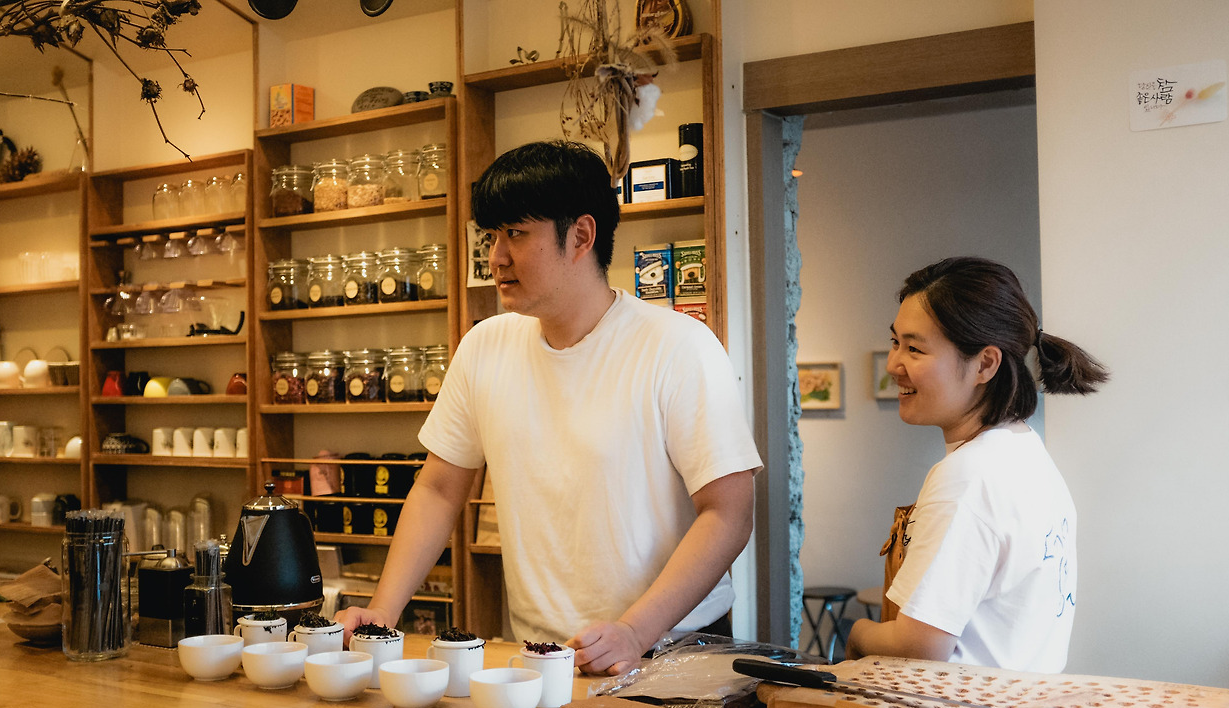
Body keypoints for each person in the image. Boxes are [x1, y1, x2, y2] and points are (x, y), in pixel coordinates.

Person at [335, 140, 762, 675]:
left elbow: (729, 512)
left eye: (515, 233)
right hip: (543, 654)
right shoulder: (485, 346)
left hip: (674, 650)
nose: (496, 256)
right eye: (492, 236)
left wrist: (635, 630)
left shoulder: (678, 347)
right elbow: (439, 489)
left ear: (581, 236)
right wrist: (382, 612)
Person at [844, 257, 1108, 673]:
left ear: (985, 364)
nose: (894, 365)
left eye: (914, 349)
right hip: (1022, 706)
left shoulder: (969, 476)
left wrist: (857, 632)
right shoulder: (1025, 451)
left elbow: (919, 646)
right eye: (896, 342)